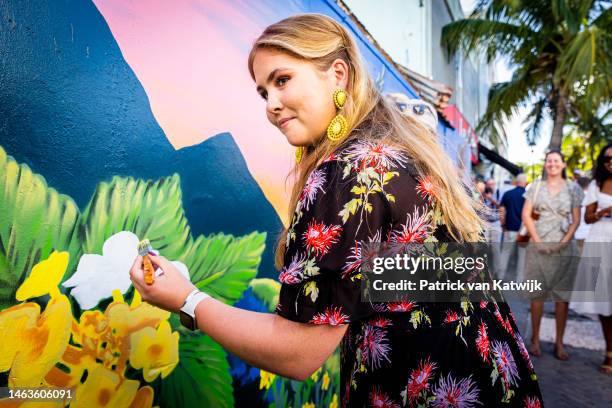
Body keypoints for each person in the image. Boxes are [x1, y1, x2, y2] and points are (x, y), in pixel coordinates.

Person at [129, 14, 542, 405]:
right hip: (494, 376)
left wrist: (187, 300)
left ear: (338, 74)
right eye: (263, 91)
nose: (271, 104)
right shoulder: (391, 149)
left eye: (282, 80)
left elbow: (298, 352)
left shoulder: (347, 171)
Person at [521, 150, 584, 360]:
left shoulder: (574, 188)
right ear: (545, 164)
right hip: (537, 245)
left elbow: (576, 220)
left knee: (562, 297)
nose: (552, 164)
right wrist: (537, 241)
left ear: (564, 164)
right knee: (537, 295)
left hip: (565, 248)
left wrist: (561, 244)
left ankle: (559, 342)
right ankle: (536, 340)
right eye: (549, 160)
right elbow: (526, 215)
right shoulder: (535, 186)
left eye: (556, 161)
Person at [570, 144, 612, 374]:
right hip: (601, 241)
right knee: (604, 301)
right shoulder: (597, 185)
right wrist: (605, 212)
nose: (611, 161)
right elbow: (587, 218)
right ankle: (609, 352)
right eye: (607, 158)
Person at [499, 173, 528, 281]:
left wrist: (503, 225)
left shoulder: (508, 194)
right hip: (524, 231)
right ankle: (519, 280)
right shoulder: (528, 196)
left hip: (509, 229)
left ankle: (500, 277)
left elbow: (501, 211)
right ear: (525, 182)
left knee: (505, 253)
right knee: (522, 256)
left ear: (516, 182)